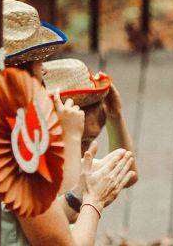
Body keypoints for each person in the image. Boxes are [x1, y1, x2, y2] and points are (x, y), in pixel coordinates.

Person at [0, 0, 133, 245]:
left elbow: (32, 223)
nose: (44, 70)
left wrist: (78, 196)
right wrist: (94, 201)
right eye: (37, 61)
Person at [42, 58, 140, 222]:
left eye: (88, 140)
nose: (83, 151)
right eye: (75, 140)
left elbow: (128, 173)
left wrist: (115, 117)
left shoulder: (81, 162)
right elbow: (69, 206)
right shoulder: (31, 171)